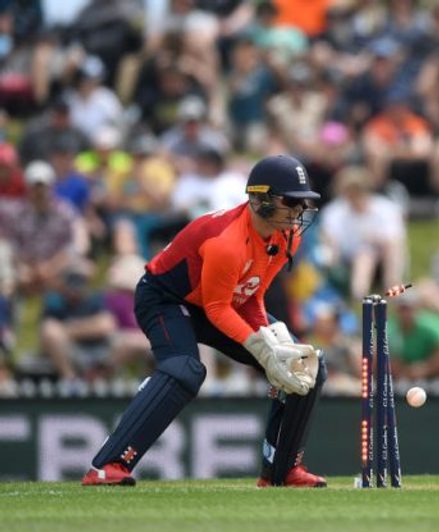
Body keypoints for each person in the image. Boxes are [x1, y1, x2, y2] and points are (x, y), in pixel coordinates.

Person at [82, 155, 329, 488]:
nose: (299, 211)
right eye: (291, 201)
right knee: (185, 370)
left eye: (303, 203)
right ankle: (107, 466)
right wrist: (261, 347)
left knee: (305, 363)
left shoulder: (287, 236)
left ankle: (281, 471)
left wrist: (272, 341)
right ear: (260, 199)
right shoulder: (226, 242)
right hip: (167, 298)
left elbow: (251, 295)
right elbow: (216, 308)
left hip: (223, 301)